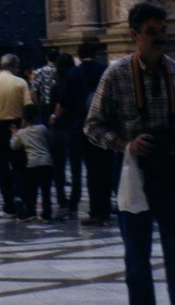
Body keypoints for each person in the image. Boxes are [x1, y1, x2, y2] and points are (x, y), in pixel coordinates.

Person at [86, 3, 175, 305]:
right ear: (134, 34)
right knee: (137, 256)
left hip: (173, 172)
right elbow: (92, 125)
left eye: (163, 31)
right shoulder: (116, 75)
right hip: (133, 173)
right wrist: (126, 144)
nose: (160, 38)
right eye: (152, 32)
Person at [54, 41, 112, 225]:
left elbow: (64, 101)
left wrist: (56, 116)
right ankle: (105, 207)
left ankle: (95, 212)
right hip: (104, 126)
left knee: (87, 170)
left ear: (79, 55)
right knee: (104, 169)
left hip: (80, 127)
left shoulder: (73, 73)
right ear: (95, 53)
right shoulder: (105, 70)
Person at [0, 53, 32, 219]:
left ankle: (8, 206)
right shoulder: (21, 82)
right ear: (14, 67)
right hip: (16, 126)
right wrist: (21, 128)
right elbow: (28, 108)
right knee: (19, 166)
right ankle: (20, 198)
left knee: (2, 168)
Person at [10, 103, 53, 223]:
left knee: (32, 190)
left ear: (23, 118)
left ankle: (31, 212)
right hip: (46, 162)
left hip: (32, 163)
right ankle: (46, 214)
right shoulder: (42, 128)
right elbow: (49, 141)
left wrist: (14, 133)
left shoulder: (21, 133)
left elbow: (14, 146)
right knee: (46, 190)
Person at [47, 52, 76, 216]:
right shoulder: (76, 83)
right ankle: (74, 200)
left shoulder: (56, 86)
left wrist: (52, 117)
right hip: (75, 127)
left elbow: (54, 106)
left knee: (58, 167)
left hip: (59, 128)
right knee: (76, 167)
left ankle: (61, 198)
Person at [32, 48, 59, 123]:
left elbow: (33, 91)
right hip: (57, 105)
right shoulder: (60, 71)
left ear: (47, 58)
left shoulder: (39, 71)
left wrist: (37, 106)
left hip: (44, 105)